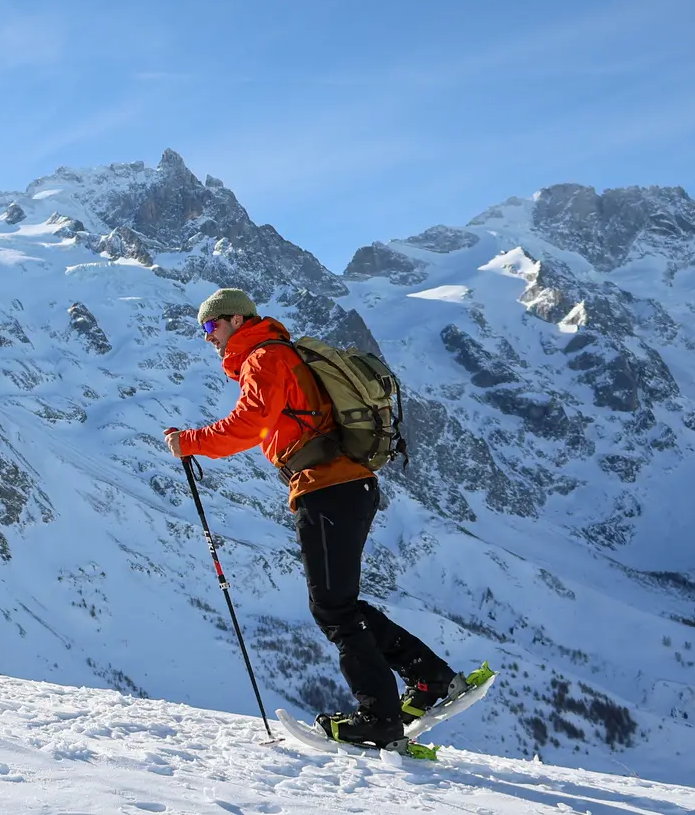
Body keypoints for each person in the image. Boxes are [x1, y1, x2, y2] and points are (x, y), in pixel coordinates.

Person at [164, 287, 468, 748]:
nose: (208, 337)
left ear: (239, 320)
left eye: (213, 326)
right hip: (344, 486)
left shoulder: (263, 357)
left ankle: (381, 718)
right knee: (340, 604)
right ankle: (430, 679)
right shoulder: (276, 354)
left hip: (328, 489)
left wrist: (191, 441)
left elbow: (251, 423)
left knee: (332, 608)